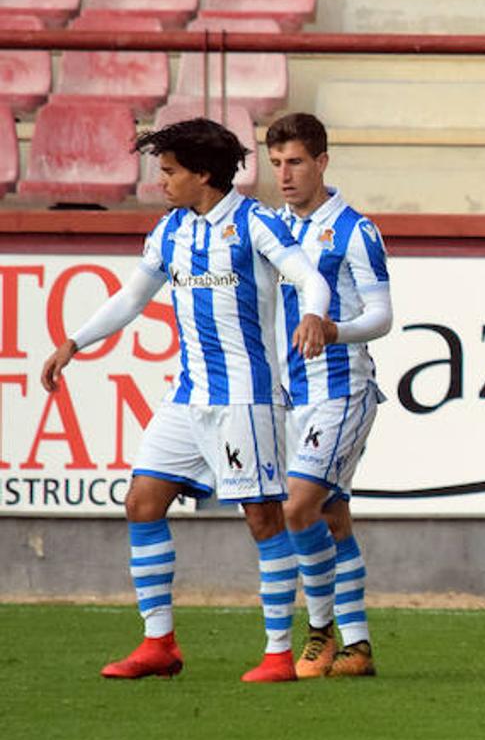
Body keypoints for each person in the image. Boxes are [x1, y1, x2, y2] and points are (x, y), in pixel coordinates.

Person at [40, 118, 333, 683]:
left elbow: (307, 276)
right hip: (188, 396)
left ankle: (277, 654)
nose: (161, 182)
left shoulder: (256, 224)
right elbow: (132, 297)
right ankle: (159, 645)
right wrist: (75, 341)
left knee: (263, 519)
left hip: (246, 400)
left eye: (170, 171)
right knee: (142, 502)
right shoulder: (170, 229)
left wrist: (316, 314)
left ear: (203, 173)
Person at [266, 113, 393, 678]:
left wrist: (333, 328)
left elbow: (383, 315)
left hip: (344, 390)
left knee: (297, 507)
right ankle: (357, 645)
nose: (285, 176)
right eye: (275, 165)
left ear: (321, 162)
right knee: (332, 517)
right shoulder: (271, 228)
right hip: (294, 396)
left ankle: (317, 635)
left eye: (295, 162)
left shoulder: (355, 231)